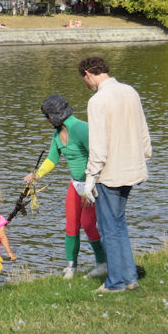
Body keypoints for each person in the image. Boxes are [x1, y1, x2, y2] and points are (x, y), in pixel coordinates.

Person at [79, 56, 152, 293]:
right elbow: (142, 128)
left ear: (89, 74)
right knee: (119, 223)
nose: (86, 85)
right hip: (132, 168)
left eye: (84, 80)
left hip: (111, 173)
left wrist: (91, 177)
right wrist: (145, 154)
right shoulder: (130, 91)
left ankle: (116, 283)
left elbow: (98, 144)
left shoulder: (97, 100)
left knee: (109, 227)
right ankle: (130, 278)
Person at [24, 95, 106, 279]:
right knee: (71, 225)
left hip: (91, 184)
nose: (46, 120)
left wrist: (89, 186)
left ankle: (103, 263)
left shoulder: (81, 128)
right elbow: (53, 158)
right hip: (74, 185)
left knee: (87, 224)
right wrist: (36, 176)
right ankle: (71, 267)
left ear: (55, 115)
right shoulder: (57, 133)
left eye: (47, 116)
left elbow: (97, 156)